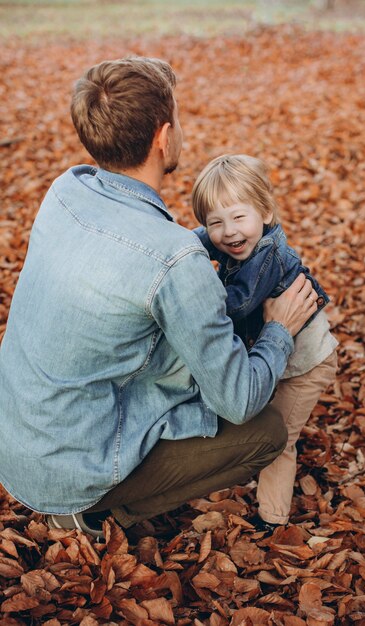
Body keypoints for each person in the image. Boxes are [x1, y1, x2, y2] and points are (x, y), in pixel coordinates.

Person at [0, 57, 319, 539]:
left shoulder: (67, 189)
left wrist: (205, 242)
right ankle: (98, 516)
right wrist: (279, 329)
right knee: (267, 432)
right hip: (70, 469)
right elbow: (238, 401)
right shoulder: (173, 260)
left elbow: (138, 254)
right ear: (164, 137)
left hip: (16, 438)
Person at [192, 154, 338, 527]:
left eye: (239, 217)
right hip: (278, 356)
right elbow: (198, 243)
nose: (228, 232)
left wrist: (196, 300)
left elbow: (236, 304)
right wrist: (182, 245)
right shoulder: (238, 240)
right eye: (215, 223)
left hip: (305, 366)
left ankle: (272, 517)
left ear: (266, 213)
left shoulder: (267, 255)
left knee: (281, 439)